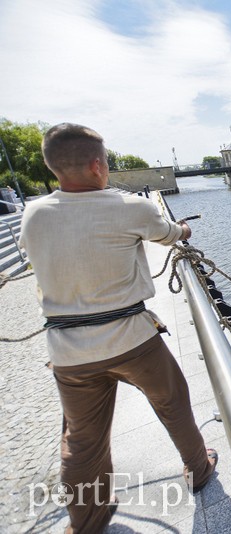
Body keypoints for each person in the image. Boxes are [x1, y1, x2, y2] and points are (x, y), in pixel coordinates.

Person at [19, 123, 217, 533]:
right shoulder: (129, 207)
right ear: (96, 166)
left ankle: (87, 522)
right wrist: (184, 230)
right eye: (106, 162)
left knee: (82, 443)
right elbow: (169, 234)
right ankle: (198, 469)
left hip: (69, 351)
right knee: (173, 403)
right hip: (131, 340)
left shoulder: (33, 214)